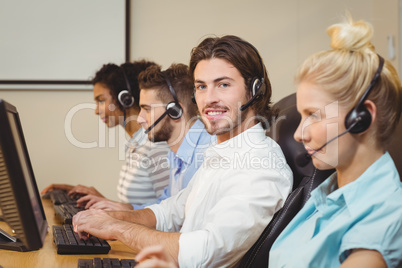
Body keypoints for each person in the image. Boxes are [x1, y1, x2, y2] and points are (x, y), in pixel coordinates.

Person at [72, 35, 293, 267]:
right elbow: (171, 211)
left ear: (255, 89)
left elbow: (205, 252)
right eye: (201, 87)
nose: (209, 99)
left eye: (223, 85)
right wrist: (110, 217)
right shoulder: (222, 153)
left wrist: (117, 228)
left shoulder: (260, 166)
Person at [269, 15, 402, 267]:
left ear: (361, 118)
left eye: (314, 115)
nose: (298, 134)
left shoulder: (384, 218)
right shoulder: (326, 195)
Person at [78, 63, 214, 210]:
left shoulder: (207, 155)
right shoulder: (175, 156)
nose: (139, 119)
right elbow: (165, 208)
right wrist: (119, 211)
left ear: (175, 111)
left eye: (147, 110)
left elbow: (183, 225)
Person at [41, 60, 171, 210]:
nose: (96, 110)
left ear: (125, 98)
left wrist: (110, 205)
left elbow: (168, 213)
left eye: (101, 100)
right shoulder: (135, 144)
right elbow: (138, 208)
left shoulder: (155, 146)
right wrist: (101, 200)